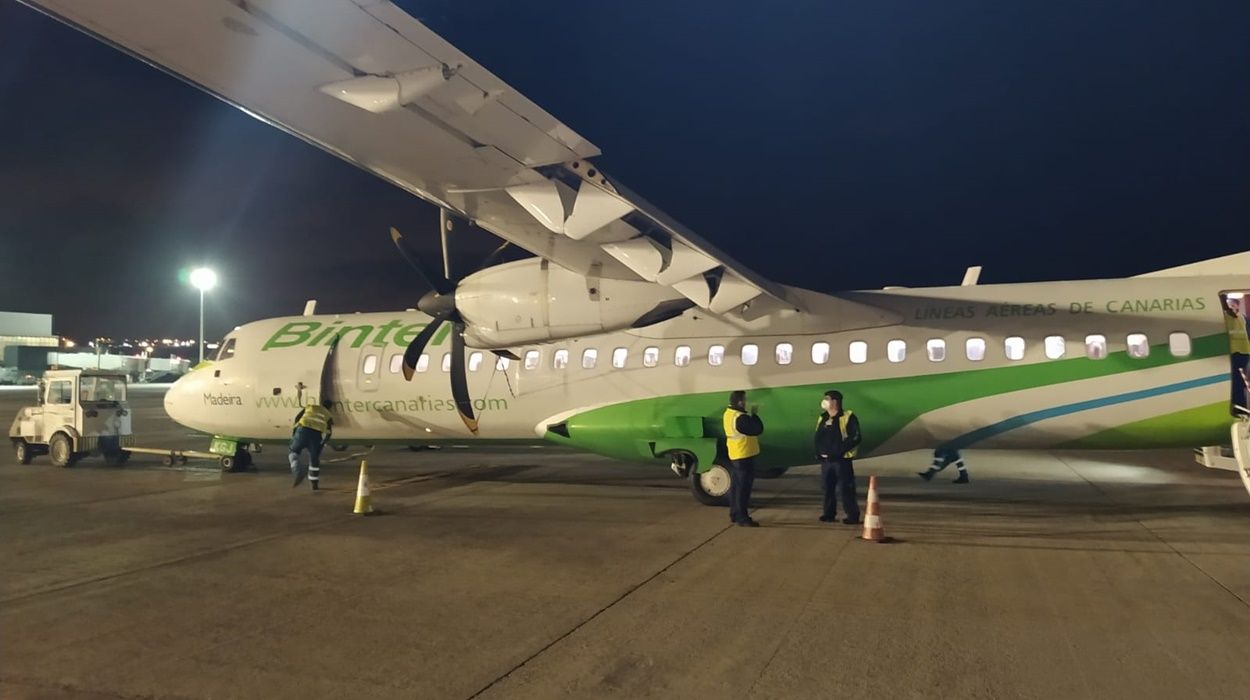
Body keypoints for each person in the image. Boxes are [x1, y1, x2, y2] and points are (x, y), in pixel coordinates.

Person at [814, 390, 862, 524]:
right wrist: (818, 452)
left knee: (846, 489)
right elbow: (818, 436)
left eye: (827, 399)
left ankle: (852, 515)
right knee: (827, 488)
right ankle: (829, 514)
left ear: (835, 401)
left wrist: (838, 451)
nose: (824, 401)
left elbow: (855, 437)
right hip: (826, 461)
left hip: (842, 460)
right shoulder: (823, 417)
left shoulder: (848, 417)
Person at [723, 390, 764, 527]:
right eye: (744, 400)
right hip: (744, 454)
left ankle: (734, 513)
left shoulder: (728, 414)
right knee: (743, 488)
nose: (746, 402)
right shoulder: (740, 417)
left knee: (736, 487)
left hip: (735, 454)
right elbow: (757, 429)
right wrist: (755, 415)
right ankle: (742, 517)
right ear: (740, 401)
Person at [289, 399, 334, 490]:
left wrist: (294, 432)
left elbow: (297, 418)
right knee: (314, 459)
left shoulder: (310, 407)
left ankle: (297, 472)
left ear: (321, 403)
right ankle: (314, 484)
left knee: (293, 452)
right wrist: (323, 443)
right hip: (316, 436)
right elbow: (329, 432)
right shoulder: (328, 415)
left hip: (302, 431)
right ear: (330, 408)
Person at [1225, 294, 1250, 415]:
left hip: (1242, 353)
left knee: (1240, 382)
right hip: (1233, 353)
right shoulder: (1227, 316)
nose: (1231, 307)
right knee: (1235, 382)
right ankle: (1238, 406)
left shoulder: (1243, 317)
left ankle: (1240, 407)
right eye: (1229, 305)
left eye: (1233, 304)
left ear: (1237, 306)